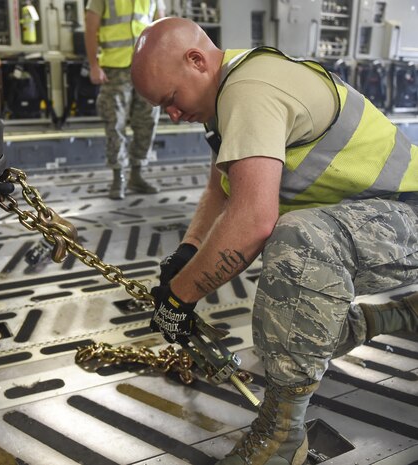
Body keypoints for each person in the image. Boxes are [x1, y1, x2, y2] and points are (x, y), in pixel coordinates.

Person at [131, 17, 418, 465]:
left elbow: (252, 220)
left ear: (196, 60)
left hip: (410, 218)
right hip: (381, 220)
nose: (172, 114)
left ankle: (282, 434)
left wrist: (179, 300)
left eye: (170, 99)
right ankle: (399, 316)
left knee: (300, 242)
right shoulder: (230, 95)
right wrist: (186, 256)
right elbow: (220, 191)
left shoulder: (249, 91)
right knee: (288, 298)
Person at [84, 0, 164, 199]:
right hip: (114, 69)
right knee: (114, 122)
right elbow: (90, 27)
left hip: (147, 67)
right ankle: (118, 176)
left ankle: (137, 175)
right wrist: (94, 65)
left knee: (147, 121)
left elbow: (162, 29)